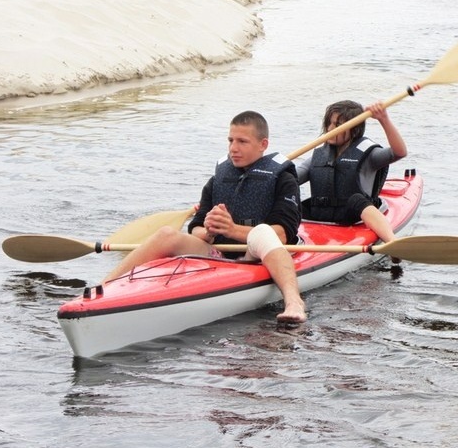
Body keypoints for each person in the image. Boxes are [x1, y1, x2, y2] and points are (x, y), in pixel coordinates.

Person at [102, 111, 307, 323]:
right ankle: (103, 288)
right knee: (166, 234)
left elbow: (281, 235)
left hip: (257, 253)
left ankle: (294, 303)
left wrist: (231, 230)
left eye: (242, 142)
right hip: (219, 254)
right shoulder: (219, 179)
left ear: (263, 144)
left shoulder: (283, 180)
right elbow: (195, 227)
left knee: (263, 232)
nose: (233, 148)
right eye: (230, 140)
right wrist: (208, 231)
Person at [296, 100, 407, 245]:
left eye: (337, 125)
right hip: (319, 218)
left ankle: (392, 242)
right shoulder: (318, 156)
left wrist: (383, 119)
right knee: (290, 201)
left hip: (353, 217)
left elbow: (399, 152)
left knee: (356, 199)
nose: (330, 129)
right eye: (329, 123)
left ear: (354, 130)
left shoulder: (370, 156)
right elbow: (293, 177)